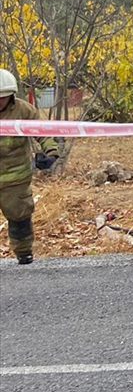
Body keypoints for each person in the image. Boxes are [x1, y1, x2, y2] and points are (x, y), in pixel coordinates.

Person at [0, 69, 59, 264]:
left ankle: (24, 254)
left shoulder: (24, 111)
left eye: (3, 97)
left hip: (15, 178)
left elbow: (42, 132)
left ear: (12, 95)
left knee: (20, 216)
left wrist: (50, 153)